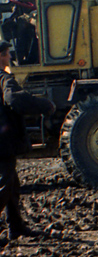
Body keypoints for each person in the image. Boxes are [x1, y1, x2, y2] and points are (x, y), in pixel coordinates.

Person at [0, 40, 56, 239]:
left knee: (12, 185)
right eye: (7, 54)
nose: (10, 57)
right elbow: (14, 99)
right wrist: (43, 104)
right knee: (4, 185)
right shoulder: (4, 79)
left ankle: (16, 228)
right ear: (1, 56)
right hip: (2, 142)